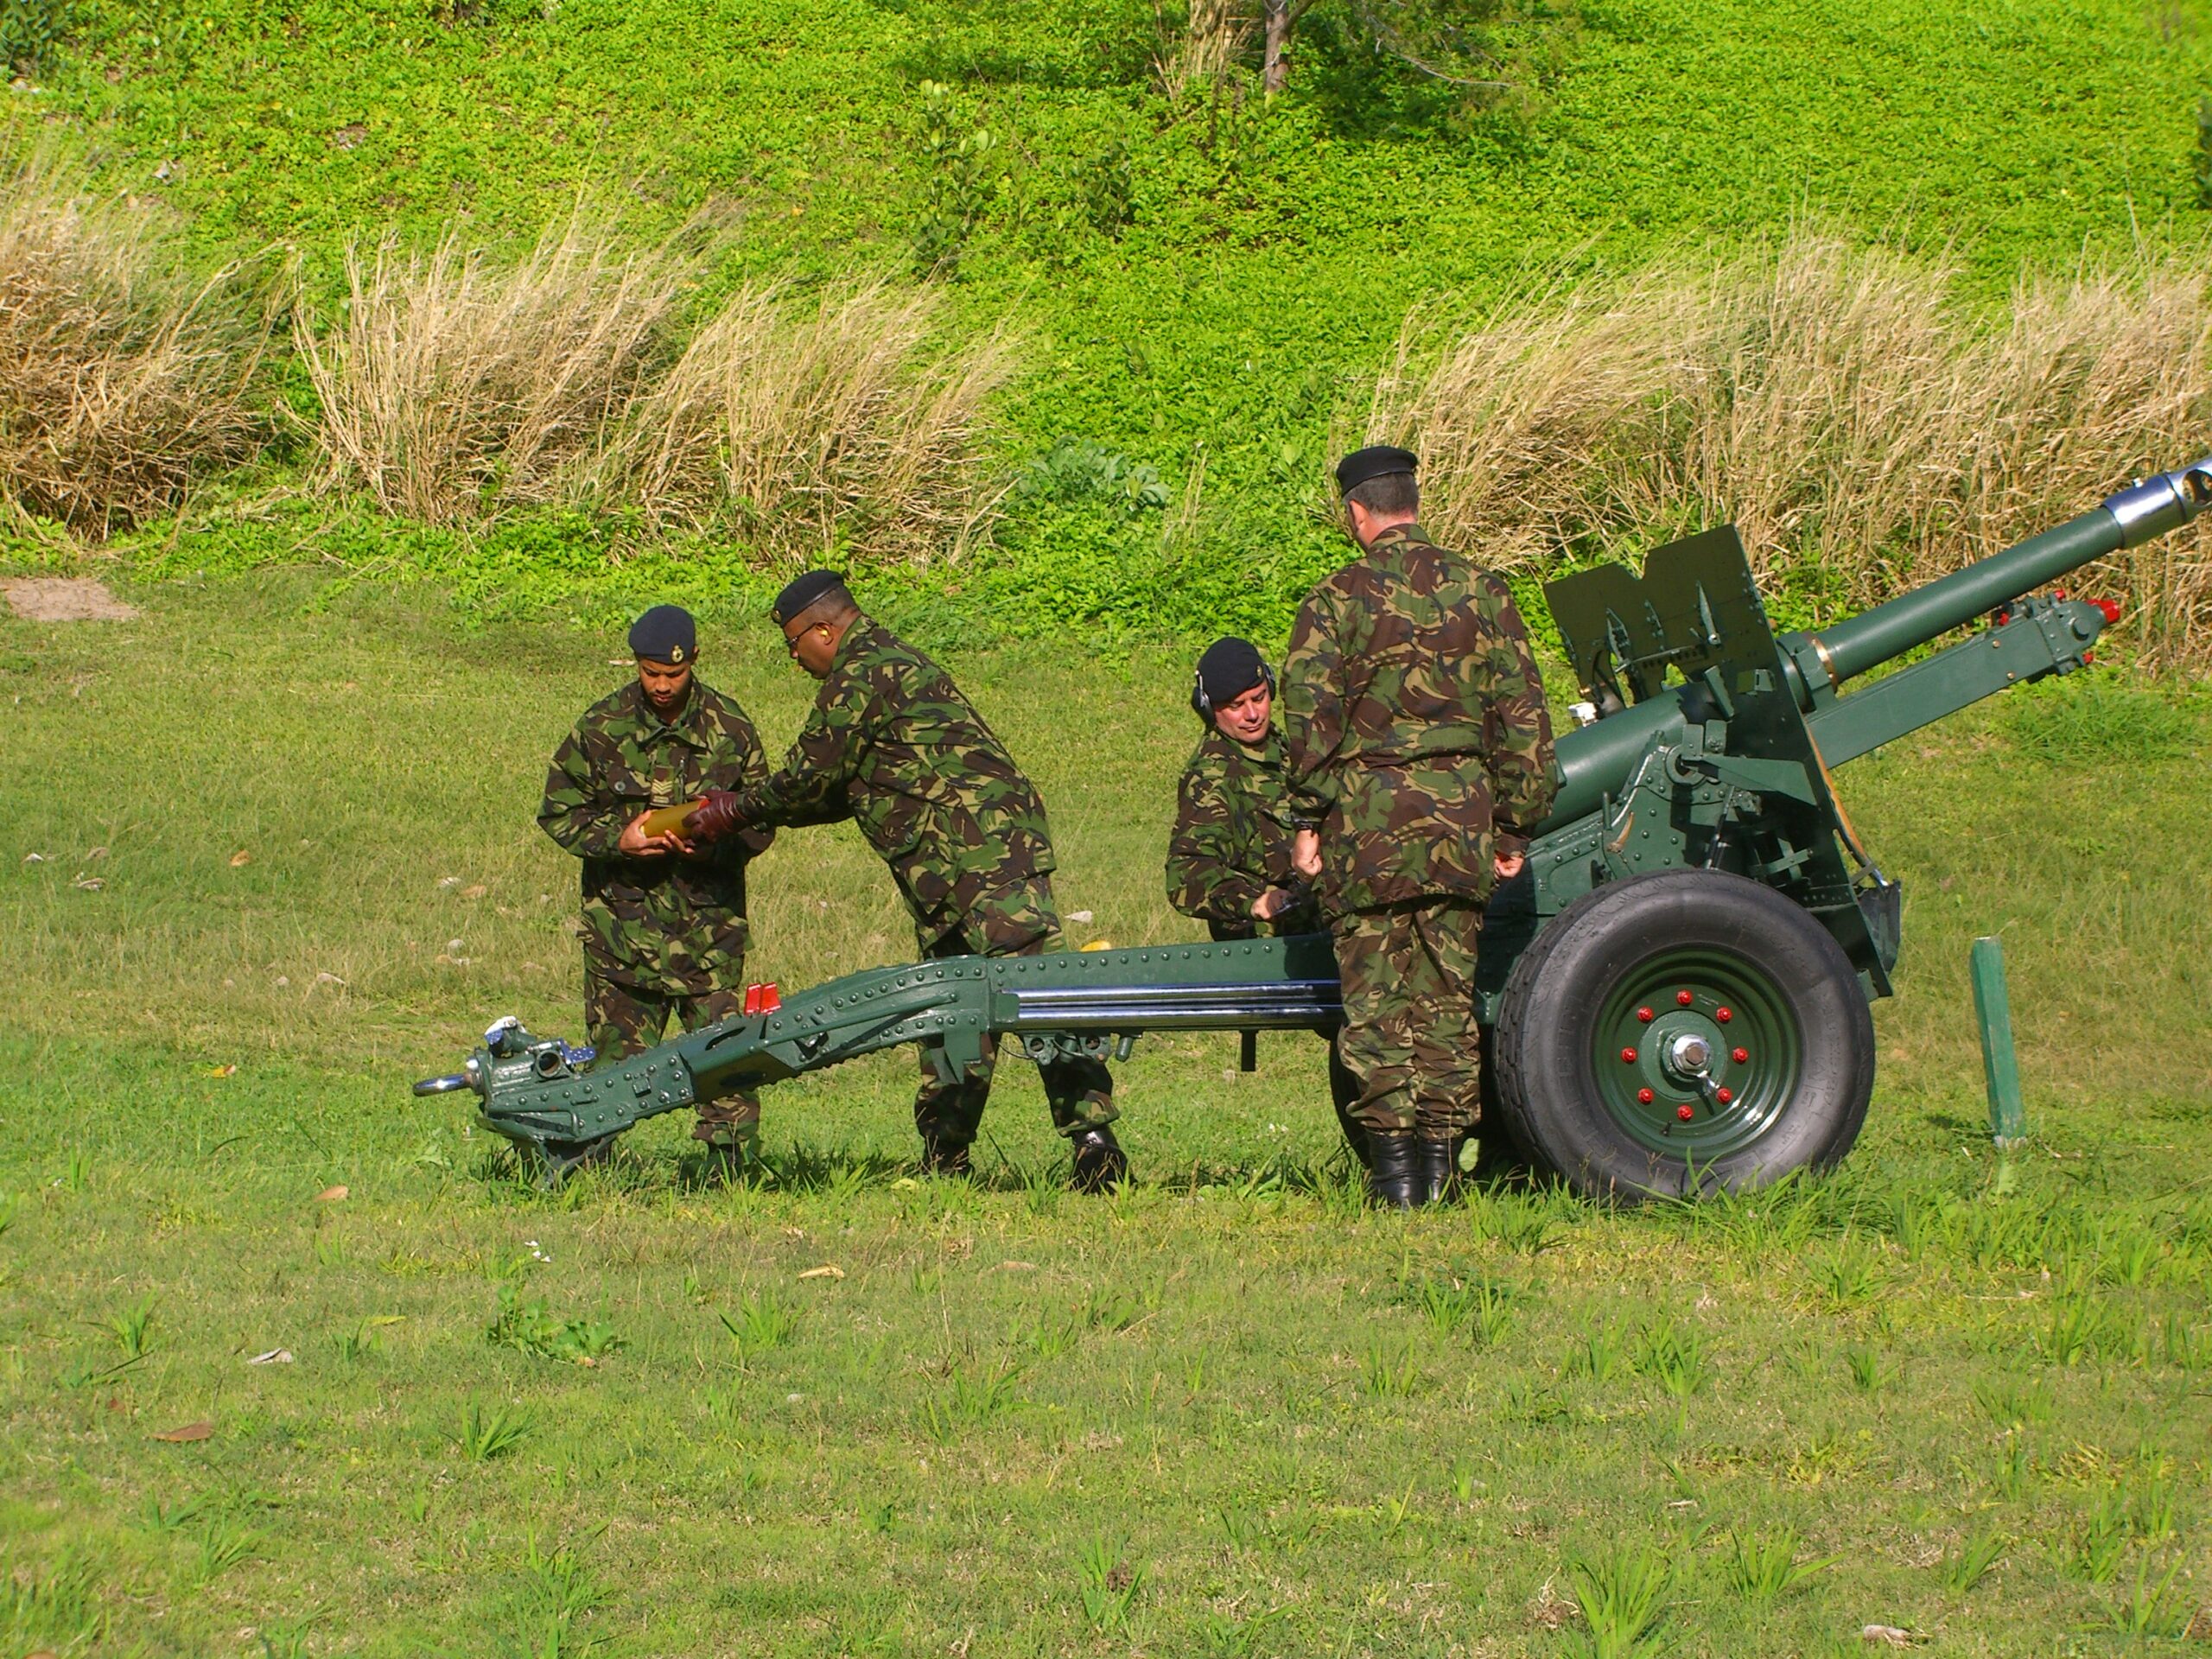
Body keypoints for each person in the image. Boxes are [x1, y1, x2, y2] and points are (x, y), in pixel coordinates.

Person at [686, 571, 1128, 1192]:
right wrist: (748, 810)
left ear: (823, 630)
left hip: (985, 857)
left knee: (1033, 995)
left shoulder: (865, 671)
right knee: (949, 1007)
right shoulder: (883, 665)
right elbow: (838, 790)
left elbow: (810, 774)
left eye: (793, 643)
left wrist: (730, 810)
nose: (792, 657)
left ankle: (1094, 1143)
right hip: (951, 870)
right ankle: (945, 1155)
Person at [1281, 447, 1557, 1208]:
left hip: (1363, 825)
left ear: (1356, 513)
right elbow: (1524, 722)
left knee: (1375, 1002)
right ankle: (1440, 1169)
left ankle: (1393, 1174)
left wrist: (1309, 817)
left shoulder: (1334, 599)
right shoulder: (1483, 592)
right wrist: (1514, 827)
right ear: (1413, 501)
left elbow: (1309, 723)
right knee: (1445, 1000)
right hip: (1459, 818)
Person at [537, 605, 775, 1177]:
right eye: (651, 674)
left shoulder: (730, 728)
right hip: (624, 938)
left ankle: (732, 1170)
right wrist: (618, 839)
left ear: (693, 661)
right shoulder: (601, 728)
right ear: (636, 665)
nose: (663, 686)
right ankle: (591, 1174)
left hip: (708, 937)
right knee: (613, 1071)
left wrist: (716, 842)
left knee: (726, 1062)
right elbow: (558, 811)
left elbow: (765, 817)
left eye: (674, 674)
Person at [1165, 635, 1365, 1161]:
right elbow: (1187, 876)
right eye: (1236, 706)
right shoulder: (1214, 776)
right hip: (1293, 937)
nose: (1252, 715)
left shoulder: (1295, 751)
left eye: (1259, 697)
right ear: (1211, 711)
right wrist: (1256, 900)